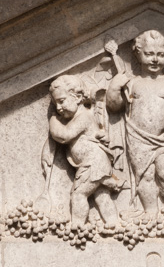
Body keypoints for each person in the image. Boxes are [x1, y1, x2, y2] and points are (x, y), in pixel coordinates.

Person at [105, 30, 164, 218]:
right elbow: (114, 106)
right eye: (149, 54)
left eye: (160, 54)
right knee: (145, 176)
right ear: (137, 53)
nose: (155, 59)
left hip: (163, 139)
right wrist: (115, 86)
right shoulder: (133, 83)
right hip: (137, 138)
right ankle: (150, 211)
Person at [47, 75, 123, 227]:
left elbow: (64, 136)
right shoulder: (82, 116)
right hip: (96, 163)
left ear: (77, 97)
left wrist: (53, 122)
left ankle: (78, 226)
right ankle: (113, 222)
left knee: (79, 194)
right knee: (101, 196)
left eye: (61, 101)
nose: (58, 108)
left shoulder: (84, 117)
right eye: (56, 103)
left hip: (92, 164)